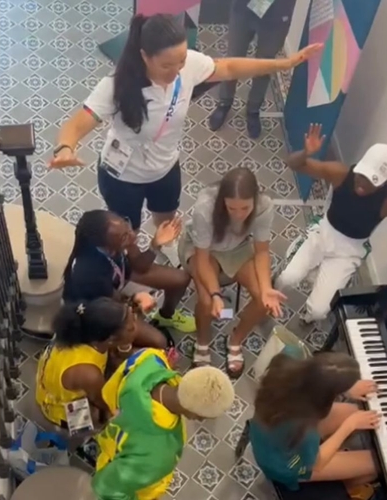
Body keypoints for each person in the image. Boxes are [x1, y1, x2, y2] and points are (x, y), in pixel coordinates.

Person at [49, 13, 321, 245]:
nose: (177, 69)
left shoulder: (187, 64)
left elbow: (229, 66)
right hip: (123, 175)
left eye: (180, 61)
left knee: (166, 216)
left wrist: (283, 64)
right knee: (127, 229)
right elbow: (77, 124)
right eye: (167, 64)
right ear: (145, 56)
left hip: (165, 167)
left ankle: (165, 247)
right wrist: (65, 148)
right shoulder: (116, 86)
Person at [178, 167, 286, 377]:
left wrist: (266, 288)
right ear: (222, 201)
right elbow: (202, 257)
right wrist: (215, 293)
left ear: (255, 199)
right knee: (207, 301)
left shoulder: (264, 206)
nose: (238, 215)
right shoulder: (205, 207)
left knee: (263, 300)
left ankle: (235, 339)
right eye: (231, 208)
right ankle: (202, 341)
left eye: (245, 208)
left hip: (238, 248)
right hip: (203, 250)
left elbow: (262, 251)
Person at [276, 124, 387, 323]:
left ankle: (306, 318)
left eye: (372, 181)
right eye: (362, 176)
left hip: (349, 250)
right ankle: (271, 296)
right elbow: (292, 163)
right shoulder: (341, 174)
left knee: (319, 311)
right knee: (287, 279)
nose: (362, 184)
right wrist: (306, 153)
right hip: (323, 232)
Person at [91, 349, 234, 500]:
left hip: (116, 434)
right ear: (197, 416)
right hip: (136, 484)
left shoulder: (151, 357)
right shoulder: (159, 454)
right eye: (204, 417)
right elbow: (105, 489)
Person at [248, 352, 380, 495]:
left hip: (270, 428)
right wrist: (349, 426)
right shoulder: (305, 433)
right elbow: (318, 463)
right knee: (376, 463)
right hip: (289, 464)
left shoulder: (286, 362)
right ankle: (346, 489)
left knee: (354, 412)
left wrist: (345, 389)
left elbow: (317, 380)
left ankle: (342, 462)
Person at [63, 209, 195, 340]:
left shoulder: (120, 234)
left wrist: (156, 243)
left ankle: (166, 316)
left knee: (181, 278)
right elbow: (115, 303)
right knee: (159, 341)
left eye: (126, 224)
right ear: (106, 246)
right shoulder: (88, 272)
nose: (133, 235)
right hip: (100, 305)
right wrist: (136, 299)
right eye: (124, 237)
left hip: (119, 277)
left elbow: (140, 266)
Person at [35, 297, 140, 427]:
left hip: (55, 378)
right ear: (111, 339)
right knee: (102, 416)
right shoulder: (89, 373)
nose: (137, 326)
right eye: (130, 328)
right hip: (57, 407)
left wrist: (125, 345)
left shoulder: (88, 334)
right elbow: (102, 401)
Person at [208, 0, 299, 138]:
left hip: (277, 15)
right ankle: (224, 102)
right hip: (243, 8)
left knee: (265, 65)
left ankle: (253, 109)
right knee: (233, 59)